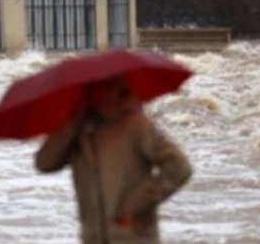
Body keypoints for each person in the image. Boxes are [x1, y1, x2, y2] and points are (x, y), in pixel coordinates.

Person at [35, 79, 192, 244]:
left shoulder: (136, 125)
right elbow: (44, 163)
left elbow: (179, 167)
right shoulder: (80, 130)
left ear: (118, 90)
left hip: (133, 236)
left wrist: (136, 205)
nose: (97, 94)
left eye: (105, 88)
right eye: (91, 89)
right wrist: (70, 124)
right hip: (94, 238)